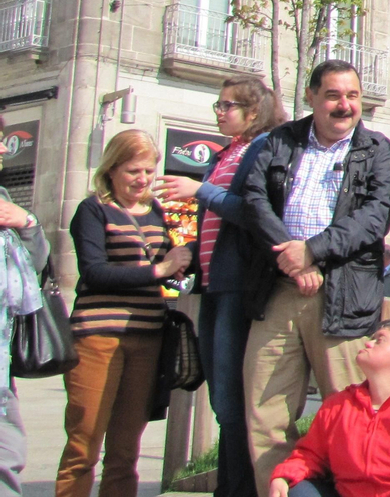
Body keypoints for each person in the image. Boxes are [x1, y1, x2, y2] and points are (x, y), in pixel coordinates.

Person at [238, 59, 390, 497]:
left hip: (345, 294)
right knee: (266, 412)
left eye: (352, 95)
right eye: (333, 95)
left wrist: (312, 251)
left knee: (350, 413)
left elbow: (373, 219)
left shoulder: (377, 149)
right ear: (311, 97)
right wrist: (291, 258)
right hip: (278, 291)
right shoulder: (280, 141)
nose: (344, 105)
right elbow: (254, 199)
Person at [155, 75, 286, 497]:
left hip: (236, 286)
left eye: (226, 105)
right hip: (213, 285)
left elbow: (252, 211)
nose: (218, 111)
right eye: (218, 104)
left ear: (253, 112)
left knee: (232, 399)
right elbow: (215, 218)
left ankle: (236, 488)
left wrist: (200, 190)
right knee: (221, 398)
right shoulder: (227, 153)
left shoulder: (261, 148)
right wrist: (189, 249)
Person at [56, 129, 192, 497]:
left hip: (147, 338)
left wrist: (183, 262)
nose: (142, 179)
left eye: (149, 171)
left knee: (125, 450)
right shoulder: (93, 210)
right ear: (112, 169)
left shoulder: (156, 212)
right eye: (134, 171)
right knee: (83, 445)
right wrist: (158, 271)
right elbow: (95, 272)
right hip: (97, 338)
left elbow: (168, 269)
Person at [265, 318, 390, 497]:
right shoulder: (339, 405)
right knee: (297, 490)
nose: (368, 343)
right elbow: (309, 455)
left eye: (379, 339)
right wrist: (284, 476)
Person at [0, 123, 45, 497]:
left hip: (2, 357)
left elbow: (36, 263)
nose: (3, 149)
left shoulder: (4, 200)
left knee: (7, 452)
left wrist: (27, 223)